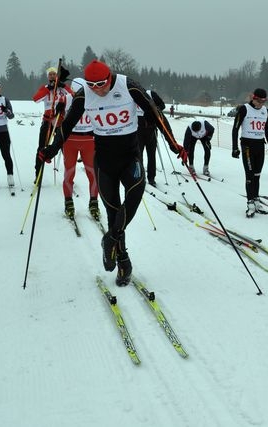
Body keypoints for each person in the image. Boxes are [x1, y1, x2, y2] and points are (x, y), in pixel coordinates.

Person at [40, 60, 186, 287]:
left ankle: (110, 239)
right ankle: (123, 263)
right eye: (93, 84)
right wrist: (51, 149)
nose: (98, 88)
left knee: (136, 191)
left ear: (110, 77)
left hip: (129, 155)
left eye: (102, 83)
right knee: (112, 211)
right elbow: (66, 126)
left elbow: (155, 114)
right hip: (105, 160)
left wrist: (174, 144)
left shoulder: (128, 86)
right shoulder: (84, 94)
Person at [231, 88, 268, 217]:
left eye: (264, 101)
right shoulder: (244, 109)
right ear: (254, 98)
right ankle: (250, 202)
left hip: (260, 146)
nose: (262, 104)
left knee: (257, 175)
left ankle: (256, 200)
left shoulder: (265, 111)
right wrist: (235, 147)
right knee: (249, 176)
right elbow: (235, 128)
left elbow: (267, 129)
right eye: (260, 101)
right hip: (247, 146)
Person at [61, 77, 99, 220]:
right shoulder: (66, 99)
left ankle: (94, 202)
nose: (79, 95)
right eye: (77, 92)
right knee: (69, 172)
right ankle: (68, 201)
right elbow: (56, 119)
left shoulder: (93, 98)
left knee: (92, 172)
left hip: (89, 140)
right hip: (70, 140)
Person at [32, 66, 73, 183]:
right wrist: (48, 89)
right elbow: (36, 99)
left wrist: (63, 85)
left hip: (61, 121)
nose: (52, 76)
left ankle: (69, 177)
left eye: (54, 74)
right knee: (41, 148)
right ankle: (38, 175)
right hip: (48, 121)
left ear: (57, 76)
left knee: (65, 148)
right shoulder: (45, 88)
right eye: (50, 74)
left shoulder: (62, 88)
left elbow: (73, 95)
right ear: (47, 76)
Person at [136, 88, 166, 186]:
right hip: (137, 131)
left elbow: (162, 105)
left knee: (151, 156)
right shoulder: (133, 95)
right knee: (138, 156)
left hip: (151, 131)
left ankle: (151, 178)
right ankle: (140, 178)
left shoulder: (151, 94)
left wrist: (153, 111)